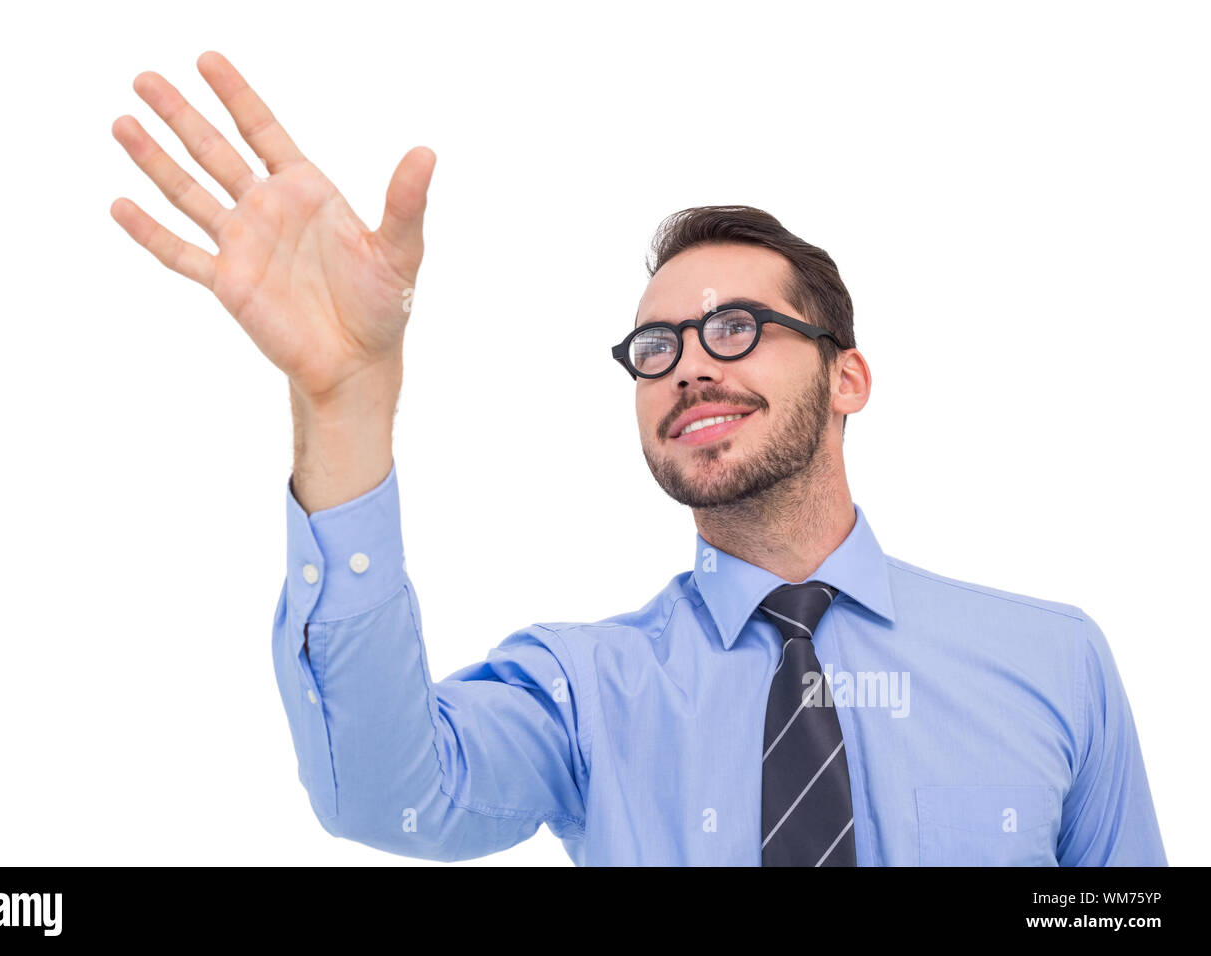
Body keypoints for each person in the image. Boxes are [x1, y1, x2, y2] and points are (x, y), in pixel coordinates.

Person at [110, 51, 1167, 866]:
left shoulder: (1053, 661)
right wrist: (342, 404)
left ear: (847, 378)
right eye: (655, 347)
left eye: (738, 328)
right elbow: (383, 793)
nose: (689, 368)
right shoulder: (584, 691)